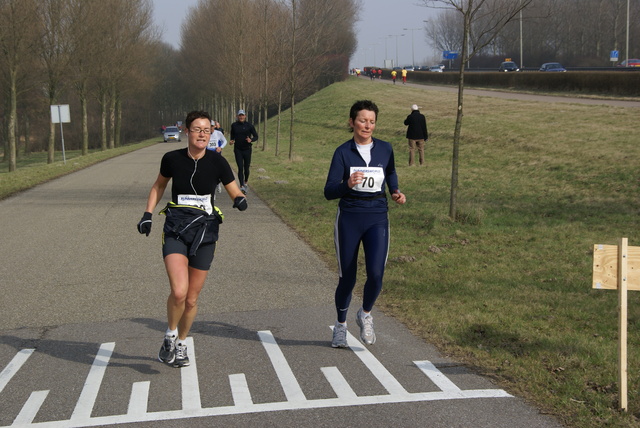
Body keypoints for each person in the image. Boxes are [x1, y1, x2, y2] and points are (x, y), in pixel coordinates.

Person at [137, 110, 248, 368]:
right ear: (187, 131)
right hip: (176, 227)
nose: (202, 134)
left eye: (206, 130)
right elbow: (159, 186)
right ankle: (170, 334)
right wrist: (147, 214)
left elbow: (233, 190)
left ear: (211, 134)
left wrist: (240, 200)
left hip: (206, 231)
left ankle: (182, 343)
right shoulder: (172, 159)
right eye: (197, 129)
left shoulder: (218, 162)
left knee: (191, 299)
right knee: (179, 291)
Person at [324, 100, 407, 348]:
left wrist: (395, 190)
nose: (367, 125)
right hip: (349, 216)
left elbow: (390, 172)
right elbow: (329, 191)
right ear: (352, 123)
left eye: (371, 121)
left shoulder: (385, 148)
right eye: (362, 120)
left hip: (377, 216)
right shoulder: (342, 152)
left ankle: (365, 314)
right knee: (347, 277)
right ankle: (340, 326)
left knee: (377, 273)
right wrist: (347, 184)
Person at [230, 109, 258, 194]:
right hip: (238, 149)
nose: (241, 117)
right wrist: (231, 140)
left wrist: (251, 139)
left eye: (242, 115)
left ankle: (245, 182)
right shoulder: (234, 125)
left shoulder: (249, 125)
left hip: (247, 149)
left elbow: (256, 136)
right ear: (237, 116)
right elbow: (232, 135)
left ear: (245, 116)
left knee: (246, 168)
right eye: (240, 115)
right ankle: (241, 186)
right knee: (240, 167)